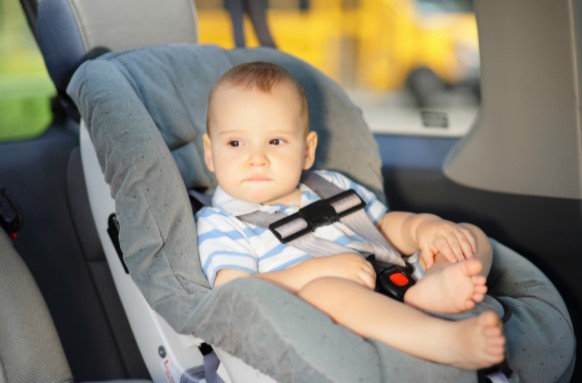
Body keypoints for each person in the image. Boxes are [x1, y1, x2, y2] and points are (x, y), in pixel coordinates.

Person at [195, 61, 506, 370]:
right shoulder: (222, 222)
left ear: (307, 150)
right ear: (210, 152)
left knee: (469, 235)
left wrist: (423, 228)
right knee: (325, 292)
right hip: (327, 309)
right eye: (236, 143)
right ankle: (444, 341)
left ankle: (433, 289)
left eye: (276, 141)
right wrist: (316, 272)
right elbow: (236, 294)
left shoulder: (332, 185)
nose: (257, 159)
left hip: (395, 273)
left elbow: (381, 226)